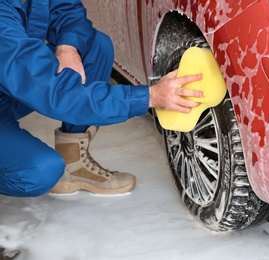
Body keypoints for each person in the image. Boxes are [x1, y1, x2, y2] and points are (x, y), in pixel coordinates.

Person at [0, 0, 203, 197]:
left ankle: (74, 166)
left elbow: (67, 9)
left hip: (11, 85)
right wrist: (150, 97)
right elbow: (56, 93)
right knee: (41, 171)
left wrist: (68, 48)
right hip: (21, 80)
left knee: (96, 46)